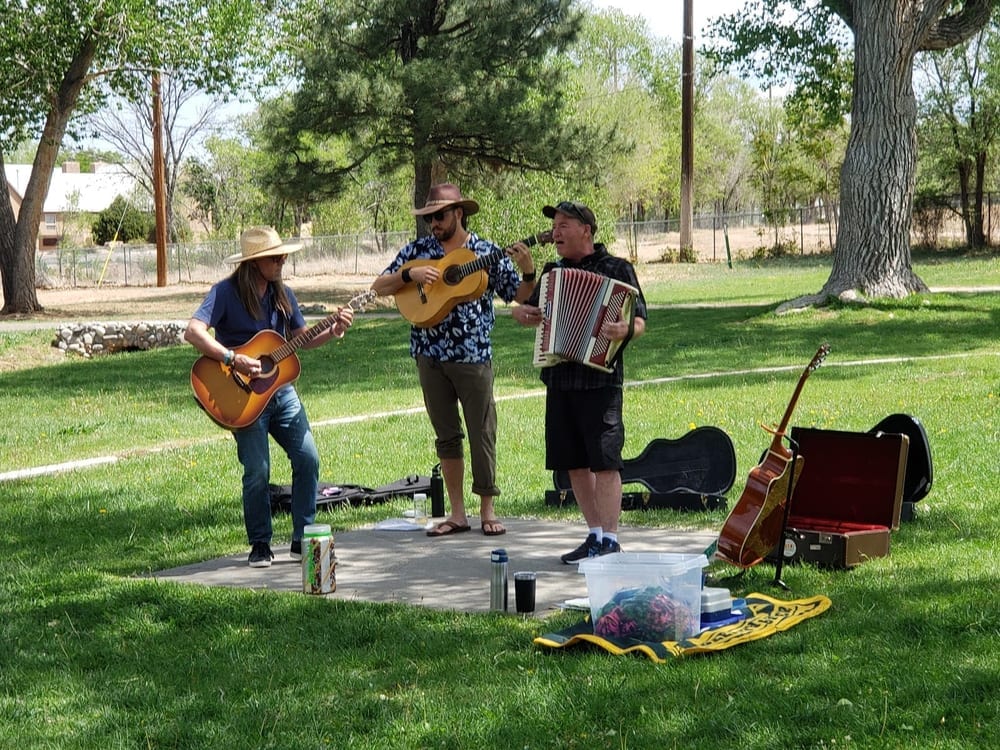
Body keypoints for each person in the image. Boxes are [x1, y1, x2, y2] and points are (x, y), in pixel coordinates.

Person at [371, 183, 537, 537]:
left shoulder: (484, 251)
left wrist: (526, 270)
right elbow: (379, 286)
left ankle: (487, 511)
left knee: (482, 432)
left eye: (440, 215)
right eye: (429, 216)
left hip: (472, 356)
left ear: (459, 213)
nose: (434, 222)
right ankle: (457, 514)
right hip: (429, 356)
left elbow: (518, 296)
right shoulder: (419, 250)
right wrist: (409, 274)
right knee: (446, 435)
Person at [184, 226, 354, 568]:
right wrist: (233, 358)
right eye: (274, 257)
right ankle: (260, 543)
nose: (282, 261)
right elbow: (193, 331)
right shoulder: (225, 293)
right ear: (254, 262)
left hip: (281, 393)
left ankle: (302, 539)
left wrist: (332, 330)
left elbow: (301, 339)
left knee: (308, 458)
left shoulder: (282, 294)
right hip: (242, 397)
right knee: (258, 470)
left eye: (282, 255)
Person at [511, 201, 647, 562]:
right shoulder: (553, 272)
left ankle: (612, 542)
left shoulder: (618, 268)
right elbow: (527, 309)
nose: (555, 232)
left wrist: (624, 329)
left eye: (564, 225)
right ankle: (595, 535)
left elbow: (640, 320)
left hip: (600, 379)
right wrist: (521, 313)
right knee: (573, 462)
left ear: (586, 230)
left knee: (604, 461)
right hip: (560, 377)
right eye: (555, 225)